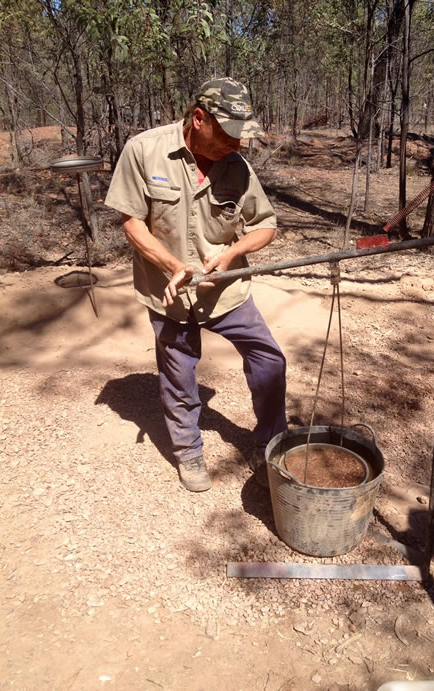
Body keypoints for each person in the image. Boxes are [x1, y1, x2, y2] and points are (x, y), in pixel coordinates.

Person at [105, 77, 287, 492]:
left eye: (242, 137)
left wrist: (231, 253)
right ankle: (188, 451)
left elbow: (266, 224)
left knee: (269, 360)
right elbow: (131, 222)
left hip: (226, 289)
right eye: (228, 135)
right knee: (179, 373)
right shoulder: (144, 150)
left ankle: (271, 442)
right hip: (167, 290)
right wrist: (171, 265)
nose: (237, 146)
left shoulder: (236, 167)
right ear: (198, 118)